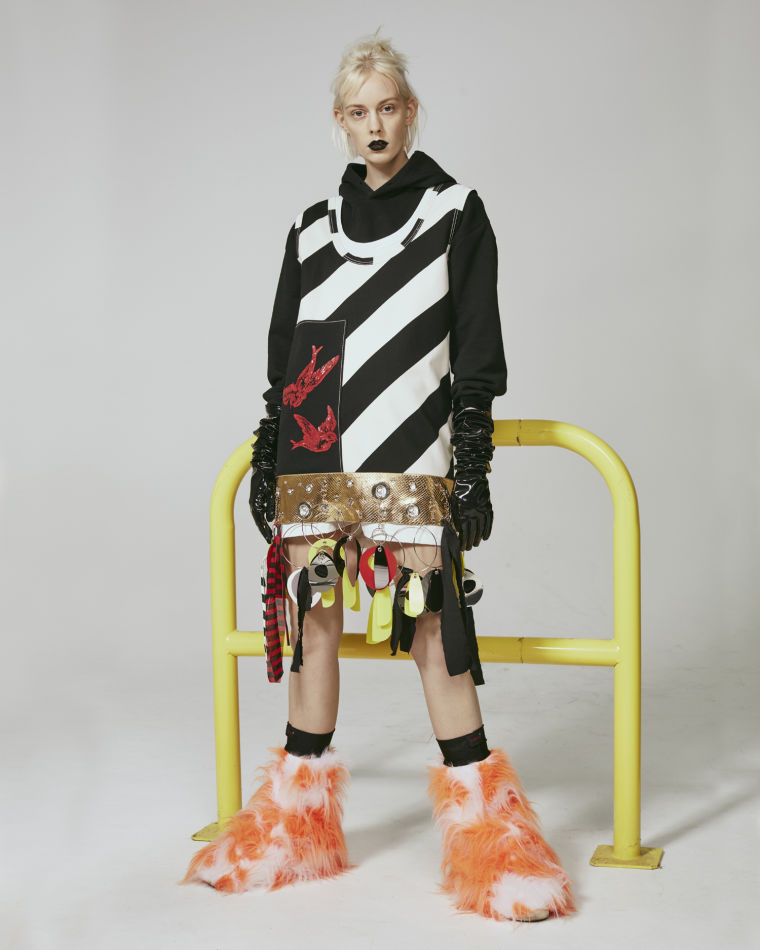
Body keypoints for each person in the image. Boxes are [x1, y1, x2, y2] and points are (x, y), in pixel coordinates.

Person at [182, 30, 575, 923]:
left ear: (410, 111)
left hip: (413, 454)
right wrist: (270, 450)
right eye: (358, 111)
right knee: (314, 622)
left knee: (435, 628)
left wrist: (472, 466)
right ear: (339, 121)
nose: (375, 125)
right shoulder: (309, 228)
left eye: (388, 107)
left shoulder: (455, 213)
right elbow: (286, 357)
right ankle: (294, 830)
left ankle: (491, 841)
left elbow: (476, 353)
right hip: (317, 453)